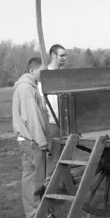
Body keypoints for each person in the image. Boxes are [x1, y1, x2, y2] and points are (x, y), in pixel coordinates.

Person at [13, 57, 50, 218]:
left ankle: (39, 209)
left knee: (37, 176)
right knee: (32, 176)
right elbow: (32, 117)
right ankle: (33, 214)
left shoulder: (31, 86)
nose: (43, 74)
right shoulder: (26, 88)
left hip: (32, 138)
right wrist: (42, 141)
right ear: (32, 70)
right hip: (30, 139)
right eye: (41, 71)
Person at [41, 44, 66, 183]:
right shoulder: (45, 76)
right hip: (53, 122)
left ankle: (64, 182)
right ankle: (48, 186)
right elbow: (42, 104)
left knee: (66, 154)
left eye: (65, 55)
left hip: (66, 121)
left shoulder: (64, 74)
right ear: (53, 55)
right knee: (54, 157)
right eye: (62, 55)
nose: (64, 58)